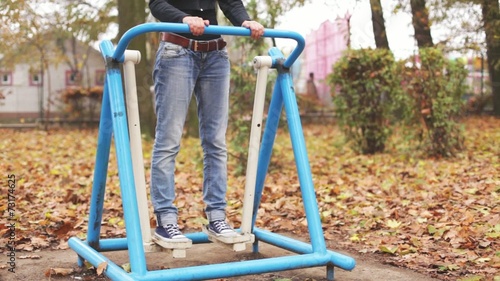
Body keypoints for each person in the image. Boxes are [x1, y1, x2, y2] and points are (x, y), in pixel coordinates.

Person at [148, 0, 264, 244]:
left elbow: (231, 3)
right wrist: (183, 19)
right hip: (177, 51)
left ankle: (217, 217)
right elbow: (157, 3)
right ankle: (166, 221)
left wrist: (245, 20)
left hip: (215, 55)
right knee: (168, 140)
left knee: (216, 142)